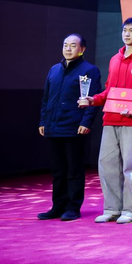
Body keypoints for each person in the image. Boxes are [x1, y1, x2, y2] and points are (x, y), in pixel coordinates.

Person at [80, 17, 132, 224]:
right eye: (125, 30)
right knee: (107, 165)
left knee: (131, 166)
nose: (127, 34)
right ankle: (112, 208)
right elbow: (109, 90)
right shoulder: (115, 59)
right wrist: (94, 100)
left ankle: (131, 210)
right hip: (111, 118)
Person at [38, 34, 101, 221]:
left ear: (82, 49)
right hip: (53, 126)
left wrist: (86, 122)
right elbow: (46, 99)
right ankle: (57, 206)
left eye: (73, 45)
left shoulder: (89, 70)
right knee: (58, 171)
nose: (68, 48)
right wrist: (43, 121)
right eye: (65, 45)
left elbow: (93, 99)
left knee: (74, 169)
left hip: (74, 126)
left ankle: (73, 207)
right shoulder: (54, 70)